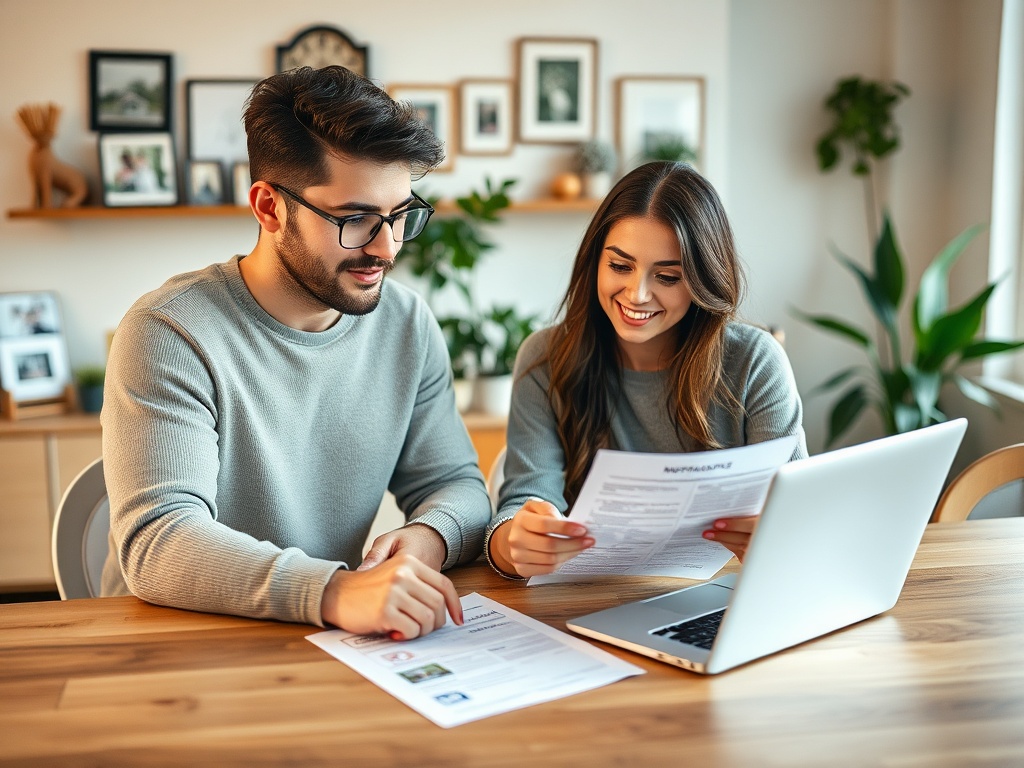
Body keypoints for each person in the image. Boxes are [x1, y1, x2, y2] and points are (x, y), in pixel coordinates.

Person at [100, 66, 491, 639]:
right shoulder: (170, 331)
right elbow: (160, 541)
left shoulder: (406, 324)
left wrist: (430, 535)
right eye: (354, 218)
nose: (385, 249)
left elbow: (456, 483)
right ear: (268, 207)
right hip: (176, 640)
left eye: (399, 215)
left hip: (326, 638)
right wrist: (333, 590)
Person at [485, 161, 807, 579]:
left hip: (723, 593)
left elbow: (797, 515)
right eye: (620, 266)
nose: (637, 294)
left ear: (703, 278)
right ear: (594, 262)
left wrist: (780, 536)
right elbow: (519, 507)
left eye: (668, 276)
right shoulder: (546, 359)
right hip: (589, 600)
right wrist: (516, 542)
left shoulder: (755, 361)